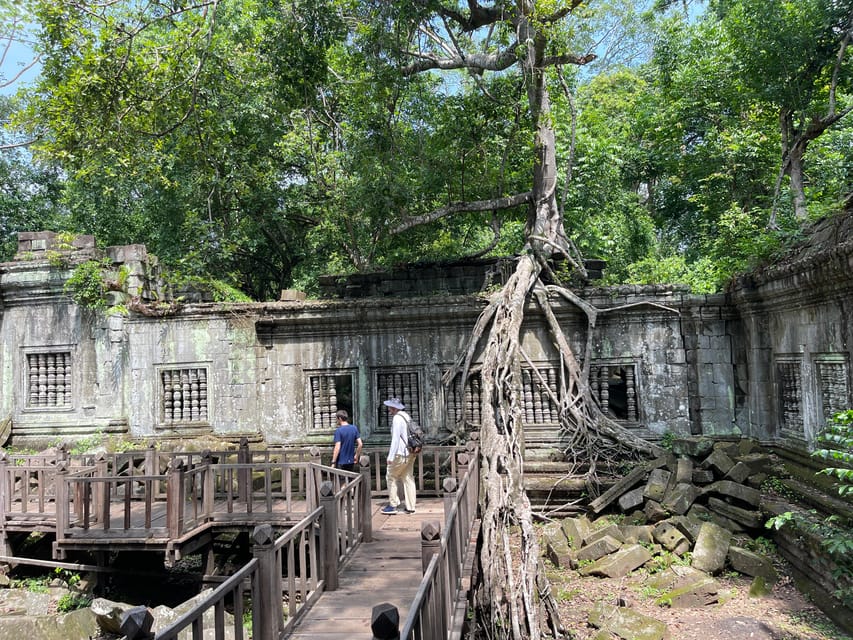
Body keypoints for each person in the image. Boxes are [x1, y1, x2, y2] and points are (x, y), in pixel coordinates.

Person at [380, 397, 416, 515]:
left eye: (390, 407)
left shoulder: (396, 418)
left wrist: (390, 457)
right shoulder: (406, 416)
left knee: (391, 476)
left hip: (401, 453)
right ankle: (411, 506)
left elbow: (395, 439)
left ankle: (393, 504)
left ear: (393, 408)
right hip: (411, 451)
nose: (388, 409)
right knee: (408, 477)